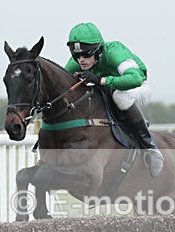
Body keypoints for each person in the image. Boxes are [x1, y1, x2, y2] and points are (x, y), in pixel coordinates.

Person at [63, 22, 164, 178]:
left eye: (86, 54)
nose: (81, 59)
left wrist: (101, 80)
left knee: (119, 96)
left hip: (135, 89)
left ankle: (150, 148)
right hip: (109, 90)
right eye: (77, 56)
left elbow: (135, 79)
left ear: (98, 50)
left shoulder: (114, 52)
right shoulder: (77, 62)